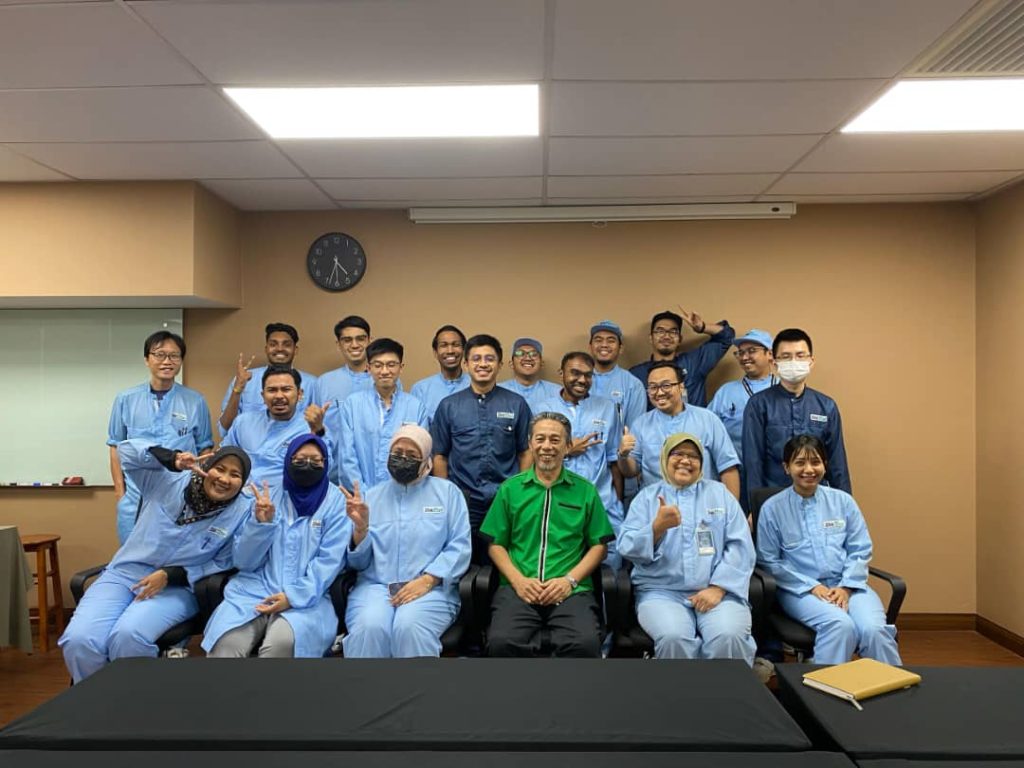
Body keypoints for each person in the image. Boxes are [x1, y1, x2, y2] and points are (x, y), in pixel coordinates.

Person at [60, 441, 252, 682]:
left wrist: (171, 575)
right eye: (220, 469)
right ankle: (100, 700)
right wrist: (172, 458)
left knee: (128, 635)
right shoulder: (168, 480)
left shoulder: (243, 510)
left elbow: (226, 562)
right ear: (207, 466)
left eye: (235, 475)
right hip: (124, 575)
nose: (224, 479)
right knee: (79, 640)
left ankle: (137, 701)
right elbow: (126, 451)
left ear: (242, 482)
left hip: (177, 587)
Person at [756, 435, 900, 666]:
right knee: (840, 625)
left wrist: (846, 587)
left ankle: (892, 687)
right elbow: (769, 561)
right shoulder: (772, 508)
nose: (809, 469)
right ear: (786, 467)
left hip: (849, 585)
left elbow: (860, 549)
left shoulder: (843, 502)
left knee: (874, 630)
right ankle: (826, 687)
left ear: (825, 465)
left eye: (815, 462)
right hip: (800, 590)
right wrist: (812, 586)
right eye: (800, 463)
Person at [481, 412, 614, 657]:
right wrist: (518, 581)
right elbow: (495, 544)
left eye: (555, 440)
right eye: (540, 439)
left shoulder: (585, 491)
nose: (547, 446)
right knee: (502, 643)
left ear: (568, 446)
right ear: (530, 444)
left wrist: (569, 581)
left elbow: (599, 546)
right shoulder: (511, 489)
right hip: (519, 587)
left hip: (571, 590)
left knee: (584, 644)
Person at [203, 434, 349, 659]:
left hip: (307, 597)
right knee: (226, 643)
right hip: (254, 591)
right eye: (299, 460)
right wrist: (261, 525)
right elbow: (244, 562)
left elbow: (330, 561)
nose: (307, 466)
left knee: (280, 646)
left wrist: (293, 596)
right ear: (288, 460)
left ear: (326, 463)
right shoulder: (268, 496)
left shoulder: (336, 502)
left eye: (315, 461)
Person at [618, 432, 756, 663]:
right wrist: (656, 528)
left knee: (728, 636)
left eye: (693, 456)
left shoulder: (720, 494)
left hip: (719, 592)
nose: (685, 460)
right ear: (665, 458)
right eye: (678, 454)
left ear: (702, 463)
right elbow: (626, 546)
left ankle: (726, 689)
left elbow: (741, 546)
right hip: (661, 592)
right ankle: (681, 689)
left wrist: (718, 588)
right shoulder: (647, 498)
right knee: (674, 638)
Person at [342, 425, 472, 657]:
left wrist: (429, 579)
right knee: (370, 628)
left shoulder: (448, 494)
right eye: (397, 453)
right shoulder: (371, 497)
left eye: (412, 455)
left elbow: (459, 546)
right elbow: (358, 564)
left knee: (408, 627)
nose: (403, 459)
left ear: (426, 461)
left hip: (431, 589)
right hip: (376, 588)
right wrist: (360, 530)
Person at [431, 334, 531, 564]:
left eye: (489, 359)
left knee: (505, 561)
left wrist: (520, 491)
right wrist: (446, 496)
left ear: (499, 364)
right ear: (466, 364)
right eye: (476, 359)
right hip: (463, 500)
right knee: (462, 561)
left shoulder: (516, 404)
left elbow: (526, 452)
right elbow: (440, 455)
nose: (483, 364)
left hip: (505, 499)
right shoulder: (449, 406)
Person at [107, 330, 213, 544]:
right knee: (135, 554)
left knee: (178, 554)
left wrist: (200, 490)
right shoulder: (126, 399)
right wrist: (121, 494)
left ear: (181, 360)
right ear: (147, 359)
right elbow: (115, 447)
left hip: (181, 492)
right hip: (137, 495)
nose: (167, 361)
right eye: (160, 354)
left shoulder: (195, 401)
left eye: (174, 356)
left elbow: (205, 447)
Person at [742, 328, 851, 506]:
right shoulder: (759, 404)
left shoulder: (826, 406)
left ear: (811, 361)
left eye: (800, 356)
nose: (794, 362)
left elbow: (837, 464)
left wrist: (845, 506)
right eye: (786, 357)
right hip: (773, 501)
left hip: (818, 501)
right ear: (774, 363)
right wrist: (754, 508)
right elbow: (753, 462)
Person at [538, 351, 625, 569]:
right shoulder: (543, 408)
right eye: (575, 373)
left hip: (602, 501)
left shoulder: (606, 408)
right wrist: (567, 450)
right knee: (564, 565)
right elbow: (535, 457)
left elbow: (613, 460)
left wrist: (618, 501)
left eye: (588, 375)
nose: (582, 380)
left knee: (610, 566)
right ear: (561, 373)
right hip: (558, 503)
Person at [618, 362, 740, 499]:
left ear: (681, 387)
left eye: (666, 385)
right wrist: (623, 455)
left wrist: (731, 508)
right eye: (653, 387)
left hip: (702, 503)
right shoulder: (640, 424)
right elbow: (631, 471)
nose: (659, 392)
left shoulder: (708, 420)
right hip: (657, 504)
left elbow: (728, 468)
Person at [333, 338, 429, 492]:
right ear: (368, 368)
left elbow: (421, 456)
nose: (384, 371)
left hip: (405, 494)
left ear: (401, 368)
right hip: (362, 497)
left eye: (391, 365)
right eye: (378, 365)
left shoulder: (416, 407)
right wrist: (367, 496)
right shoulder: (352, 405)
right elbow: (347, 458)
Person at [707, 329, 776, 509]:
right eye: (740, 352)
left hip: (776, 475)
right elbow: (708, 430)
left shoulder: (782, 389)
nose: (745, 357)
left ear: (770, 354)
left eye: (752, 351)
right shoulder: (726, 392)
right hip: (737, 477)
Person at [222, 366, 324, 487]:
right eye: (272, 390)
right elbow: (224, 457)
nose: (279, 396)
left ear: (299, 394)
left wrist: (318, 432)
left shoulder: (310, 428)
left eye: (286, 389)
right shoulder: (243, 422)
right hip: (242, 493)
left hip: (286, 496)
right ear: (263, 395)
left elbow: (324, 467)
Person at [219, 322, 317, 433]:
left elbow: (319, 427)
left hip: (295, 443)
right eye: (273, 344)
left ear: (296, 350)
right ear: (266, 349)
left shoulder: (312, 384)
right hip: (250, 443)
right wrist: (237, 390)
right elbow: (225, 428)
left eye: (286, 344)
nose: (279, 349)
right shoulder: (244, 379)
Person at [629, 309, 735, 408]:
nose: (666, 336)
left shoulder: (694, 363)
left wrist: (702, 327)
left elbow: (726, 338)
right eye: (660, 331)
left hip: (693, 422)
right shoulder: (636, 375)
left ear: (680, 339)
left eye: (673, 332)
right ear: (651, 338)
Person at [588, 320, 646, 430]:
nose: (604, 345)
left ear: (621, 348)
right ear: (590, 347)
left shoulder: (633, 385)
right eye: (598, 340)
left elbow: (635, 430)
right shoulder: (579, 380)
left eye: (611, 341)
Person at [310, 315, 375, 406]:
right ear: (338, 345)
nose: (355, 345)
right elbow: (316, 414)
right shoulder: (324, 382)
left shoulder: (386, 379)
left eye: (360, 339)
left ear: (370, 341)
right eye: (347, 340)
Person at [410, 324, 470, 420]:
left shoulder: (476, 385)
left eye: (456, 345)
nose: (450, 351)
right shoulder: (421, 390)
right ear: (435, 352)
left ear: (464, 350)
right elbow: (415, 426)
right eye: (444, 345)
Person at [498, 337, 561, 412]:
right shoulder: (498, 391)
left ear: (542, 364)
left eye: (534, 354)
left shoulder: (557, 392)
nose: (527, 358)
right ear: (511, 364)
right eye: (520, 353)